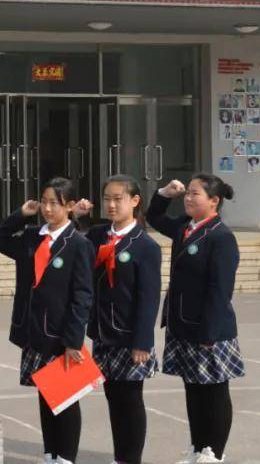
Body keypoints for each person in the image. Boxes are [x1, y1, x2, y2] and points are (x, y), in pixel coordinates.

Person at [0, 177, 94, 464]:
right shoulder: (32, 236)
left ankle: (66, 456)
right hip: (32, 329)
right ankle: (50, 452)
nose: (47, 209)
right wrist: (20, 214)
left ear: (71, 206)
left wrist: (74, 340)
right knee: (46, 395)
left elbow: (83, 295)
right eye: (44, 202)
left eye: (55, 203)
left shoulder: (78, 244)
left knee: (65, 398)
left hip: (61, 334)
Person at [148, 175, 244, 464]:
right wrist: (165, 193)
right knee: (193, 390)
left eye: (195, 194)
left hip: (209, 331)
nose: (188, 198)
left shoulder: (221, 237)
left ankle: (214, 452)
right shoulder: (184, 228)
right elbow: (154, 216)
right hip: (182, 324)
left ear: (214, 201)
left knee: (214, 392)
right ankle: (198, 446)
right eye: (187, 193)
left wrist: (209, 334)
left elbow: (220, 290)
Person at [81, 175, 162, 464]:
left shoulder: (145, 245)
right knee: (113, 399)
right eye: (107, 199)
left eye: (118, 199)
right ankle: (120, 457)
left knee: (130, 400)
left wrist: (143, 341)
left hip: (130, 338)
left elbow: (149, 297)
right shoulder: (98, 235)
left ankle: (131, 458)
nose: (112, 205)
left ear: (135, 201)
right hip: (103, 334)